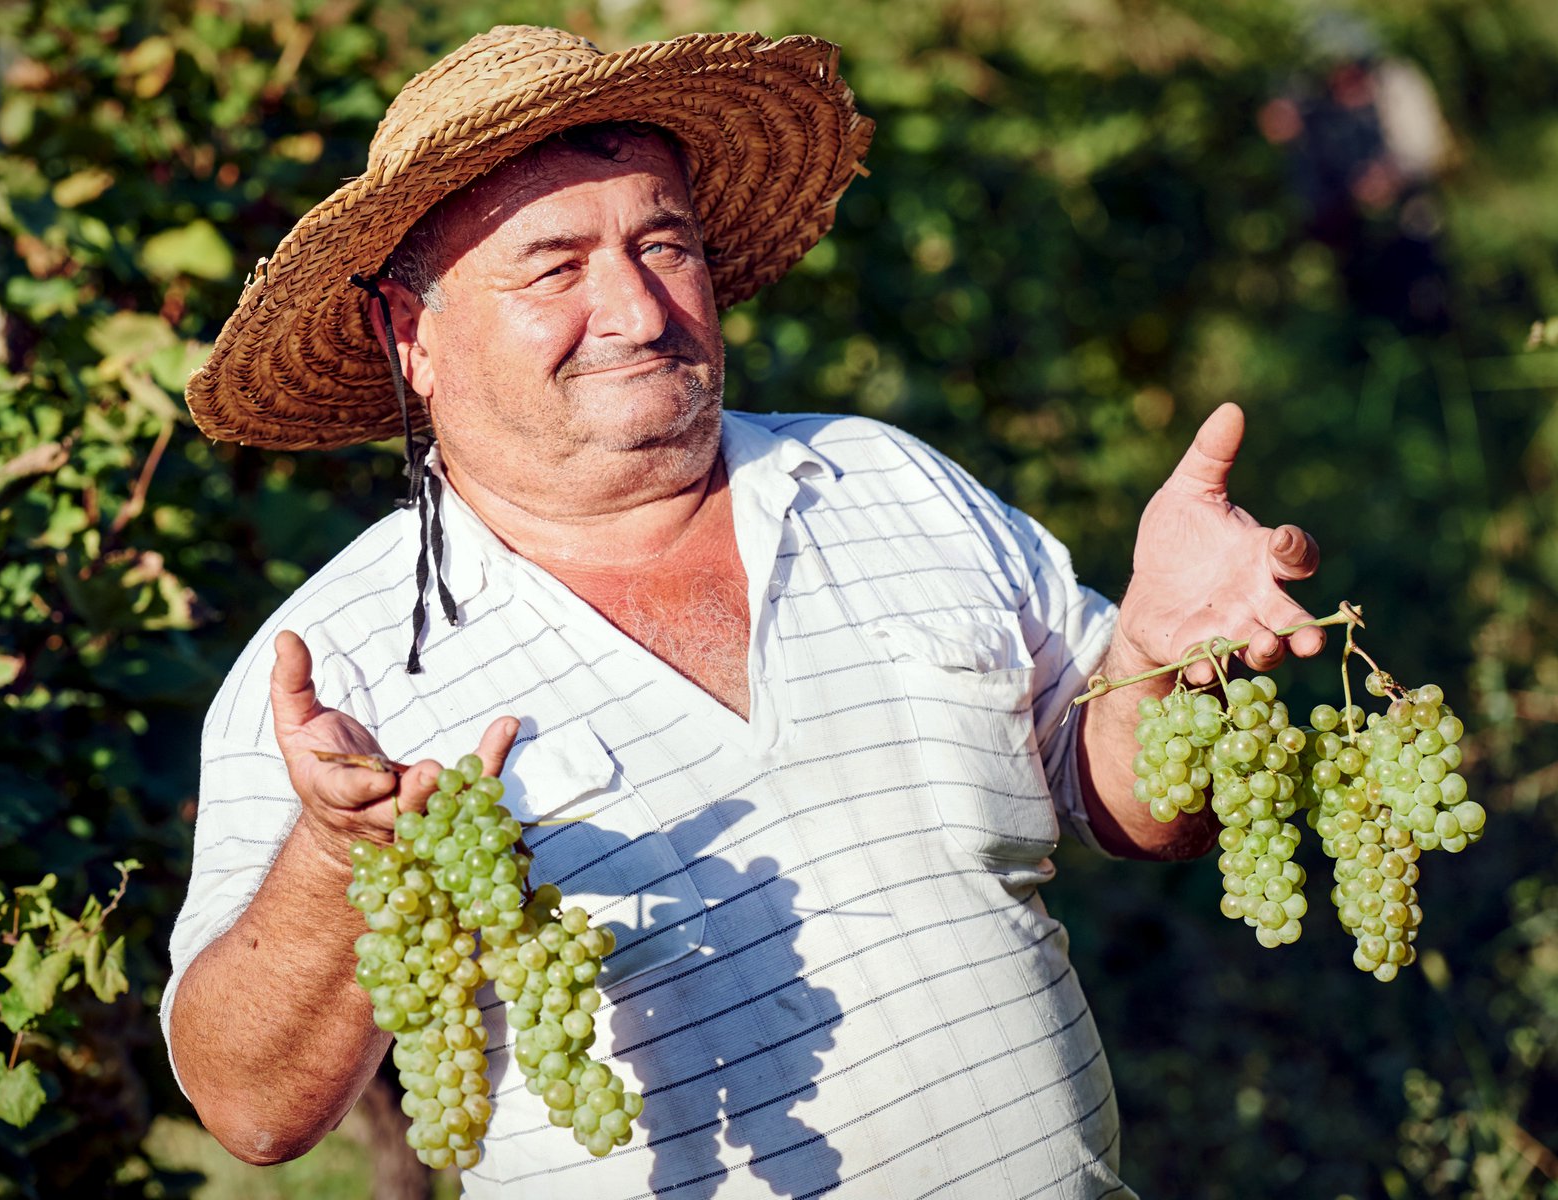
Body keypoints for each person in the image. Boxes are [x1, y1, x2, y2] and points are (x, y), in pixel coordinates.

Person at [164, 25, 1324, 1198]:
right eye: (555, 267)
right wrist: (334, 856)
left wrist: (1165, 655)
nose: (636, 308)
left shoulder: (882, 480)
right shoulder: (341, 666)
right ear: (411, 337)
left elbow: (1129, 809)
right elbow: (251, 1110)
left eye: (662, 244)